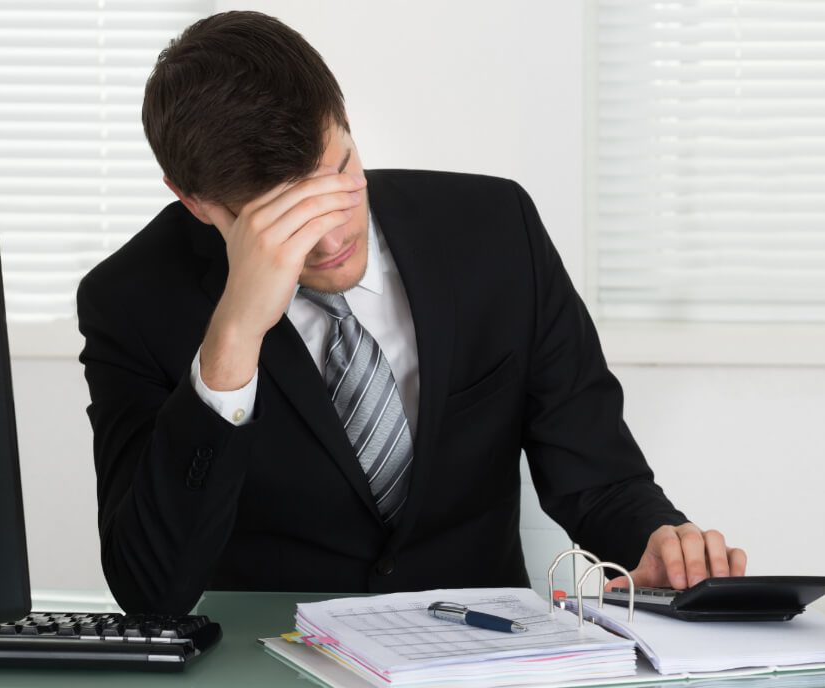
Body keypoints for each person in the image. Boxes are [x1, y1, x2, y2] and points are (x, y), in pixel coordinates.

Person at [77, 10, 746, 614]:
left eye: (338, 173)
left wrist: (657, 541)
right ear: (194, 203)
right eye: (283, 222)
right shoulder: (132, 301)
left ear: (344, 119)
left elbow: (598, 478)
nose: (334, 239)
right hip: (273, 660)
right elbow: (151, 588)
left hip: (482, 655)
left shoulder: (495, 231)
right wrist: (232, 338)